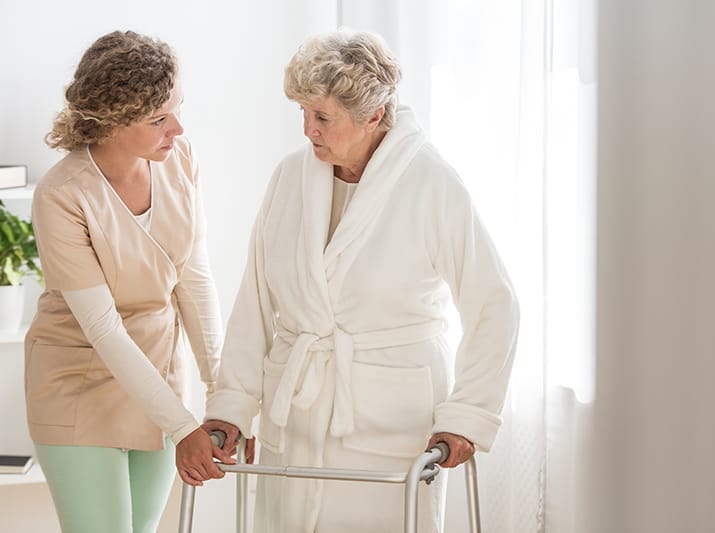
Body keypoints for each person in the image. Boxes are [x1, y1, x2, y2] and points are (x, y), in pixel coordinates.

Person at [198, 29, 520, 532]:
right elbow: (255, 302)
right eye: (303, 113)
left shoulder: (431, 184)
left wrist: (467, 415)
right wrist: (231, 406)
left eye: (322, 116)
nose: (308, 130)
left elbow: (494, 304)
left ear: (374, 115)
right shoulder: (289, 178)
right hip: (297, 422)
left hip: (391, 426)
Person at [25, 30, 231, 533]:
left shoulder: (179, 159)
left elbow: (194, 278)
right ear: (113, 122)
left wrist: (223, 394)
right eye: (159, 119)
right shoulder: (63, 195)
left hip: (158, 376)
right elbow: (103, 329)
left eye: (177, 109)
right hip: (79, 384)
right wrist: (184, 427)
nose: (177, 129)